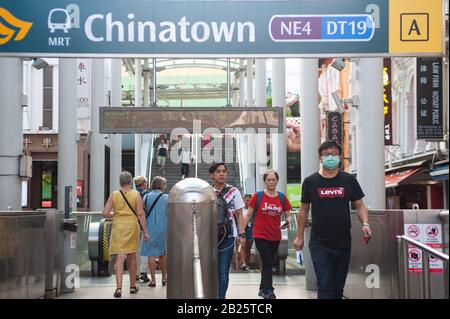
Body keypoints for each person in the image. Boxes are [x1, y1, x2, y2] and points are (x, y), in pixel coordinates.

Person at [293, 140, 372, 299]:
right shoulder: (310, 181)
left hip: (343, 243)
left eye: (334, 154)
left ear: (340, 157)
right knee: (325, 284)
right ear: (320, 158)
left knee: (338, 288)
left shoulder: (348, 180)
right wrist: (299, 236)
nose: (330, 157)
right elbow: (303, 210)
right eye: (326, 154)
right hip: (319, 243)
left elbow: (360, 205)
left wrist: (365, 223)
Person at [244, 169, 292, 299]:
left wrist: (287, 221)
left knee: (269, 262)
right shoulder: (257, 196)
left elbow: (288, 216)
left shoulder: (282, 198)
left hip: (275, 235)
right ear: (264, 181)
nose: (271, 182)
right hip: (260, 234)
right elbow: (248, 214)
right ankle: (269, 290)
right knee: (268, 261)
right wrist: (241, 230)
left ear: (277, 181)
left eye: (273, 180)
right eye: (268, 180)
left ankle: (262, 288)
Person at [102, 171, 150, 298]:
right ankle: (133, 286)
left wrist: (117, 214)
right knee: (132, 256)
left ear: (120, 182)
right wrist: (145, 231)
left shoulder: (114, 195)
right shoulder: (136, 195)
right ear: (130, 182)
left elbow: (105, 213)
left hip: (118, 226)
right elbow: (140, 214)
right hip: (131, 227)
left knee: (120, 256)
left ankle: (118, 288)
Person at [210, 163, 246, 299]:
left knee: (223, 271)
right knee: (210, 271)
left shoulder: (234, 191)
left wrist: (241, 233)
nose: (221, 174)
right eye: (218, 171)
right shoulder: (207, 192)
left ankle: (221, 298)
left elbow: (240, 214)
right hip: (209, 237)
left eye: (224, 171)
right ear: (212, 175)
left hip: (229, 236)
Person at [140, 176, 169, 287]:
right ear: (161, 185)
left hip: (149, 228)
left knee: (151, 254)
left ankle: (153, 279)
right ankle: (164, 278)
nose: (165, 186)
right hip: (163, 227)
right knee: (163, 253)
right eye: (164, 184)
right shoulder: (166, 197)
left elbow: (142, 211)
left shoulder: (146, 197)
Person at [133, 176, 151, 283]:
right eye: (146, 182)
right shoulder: (147, 195)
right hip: (144, 225)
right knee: (144, 248)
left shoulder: (133, 195)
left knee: (134, 249)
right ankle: (143, 272)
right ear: (143, 184)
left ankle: (135, 273)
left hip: (133, 225)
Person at [239, 194, 253, 271]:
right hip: (242, 229)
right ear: (243, 200)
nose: (248, 202)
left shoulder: (252, 209)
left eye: (250, 200)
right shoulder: (240, 209)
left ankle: (247, 264)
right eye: (247, 200)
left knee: (248, 247)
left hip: (251, 228)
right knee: (243, 245)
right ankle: (243, 263)